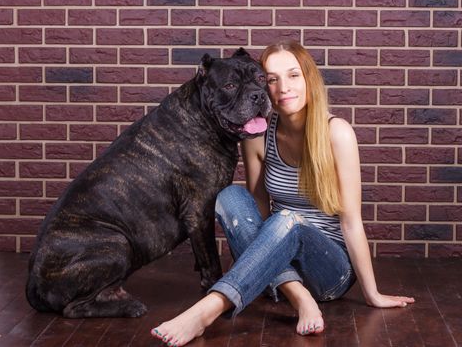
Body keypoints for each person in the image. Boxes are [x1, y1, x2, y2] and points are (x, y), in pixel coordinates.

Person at [150, 40, 415, 346]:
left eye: (293, 75)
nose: (283, 88)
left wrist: (372, 293)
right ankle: (299, 297)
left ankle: (206, 311)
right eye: (272, 80)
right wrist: (259, 265)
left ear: (309, 79)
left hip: (330, 273)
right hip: (280, 265)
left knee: (289, 218)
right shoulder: (258, 134)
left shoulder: (336, 133)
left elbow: (351, 222)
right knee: (229, 198)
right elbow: (258, 209)